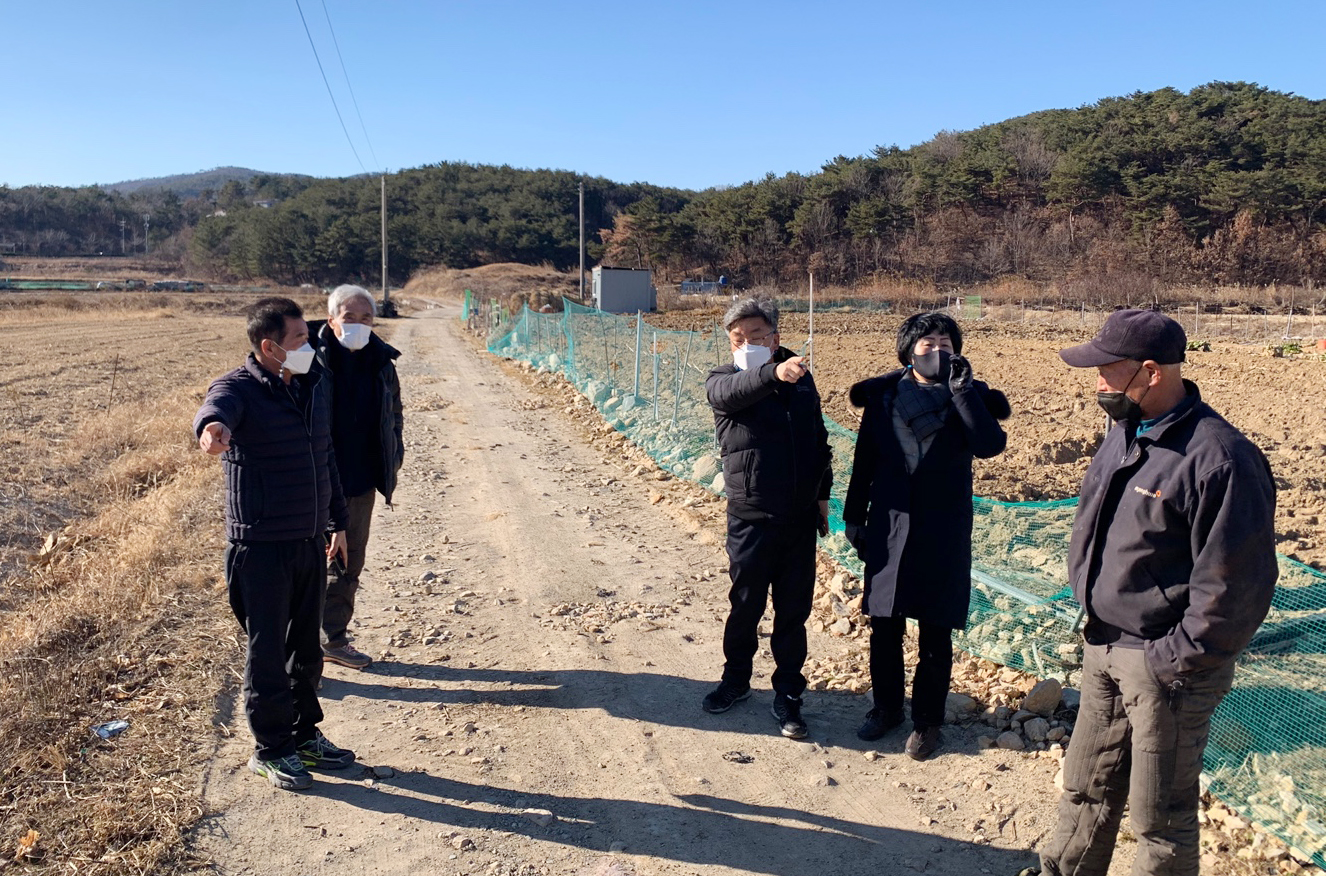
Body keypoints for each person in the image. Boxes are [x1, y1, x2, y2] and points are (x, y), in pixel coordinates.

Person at [1019, 309, 1277, 876]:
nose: (1097, 383)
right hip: (1104, 646)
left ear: (1152, 372)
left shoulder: (1219, 459)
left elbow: (1237, 588)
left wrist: (1171, 660)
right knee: (1086, 788)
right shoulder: (1125, 434)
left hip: (1165, 665)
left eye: (1108, 371)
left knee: (1159, 817)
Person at [194, 296, 356, 791]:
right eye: (300, 340)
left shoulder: (311, 384)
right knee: (266, 654)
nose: (310, 346)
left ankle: (304, 735)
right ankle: (270, 749)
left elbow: (324, 455)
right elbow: (215, 410)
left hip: (307, 539)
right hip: (260, 548)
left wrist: (337, 522)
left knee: (305, 649)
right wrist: (211, 430)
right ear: (269, 347)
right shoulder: (238, 388)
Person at [843, 312, 1009, 760]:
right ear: (908, 350)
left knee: (936, 630)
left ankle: (927, 721)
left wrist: (962, 394)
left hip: (943, 528)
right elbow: (865, 461)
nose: (937, 350)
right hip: (890, 524)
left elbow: (990, 446)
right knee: (885, 623)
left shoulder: (971, 396)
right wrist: (853, 516)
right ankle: (886, 709)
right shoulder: (882, 397)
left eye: (945, 342)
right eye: (927, 343)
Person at [703, 296, 833, 739]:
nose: (747, 344)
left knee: (792, 613)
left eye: (756, 336)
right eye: (738, 339)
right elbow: (735, 392)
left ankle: (789, 695)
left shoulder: (801, 380)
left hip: (797, 519)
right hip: (750, 516)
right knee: (745, 604)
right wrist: (772, 371)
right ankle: (735, 680)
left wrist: (822, 495)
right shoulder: (724, 380)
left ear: (775, 338)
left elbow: (818, 438)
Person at [309, 284, 404, 670]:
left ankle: (334, 639)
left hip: (360, 481)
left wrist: (393, 458)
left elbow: (394, 415)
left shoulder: (381, 362)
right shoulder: (308, 360)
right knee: (306, 564)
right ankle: (295, 649)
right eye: (350, 318)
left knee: (348, 565)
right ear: (332, 320)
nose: (360, 325)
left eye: (367, 318)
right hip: (313, 482)